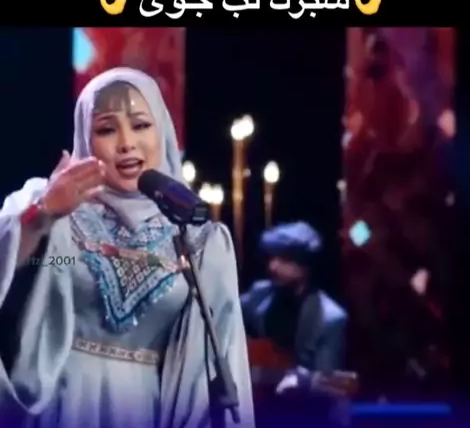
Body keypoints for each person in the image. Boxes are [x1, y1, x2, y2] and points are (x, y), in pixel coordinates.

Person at [0, 67, 254, 428]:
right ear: (85, 138)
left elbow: (224, 355)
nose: (126, 143)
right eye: (106, 129)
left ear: (162, 130)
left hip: (148, 409)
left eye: (140, 125)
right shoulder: (52, 210)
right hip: (60, 403)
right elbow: (21, 262)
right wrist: (41, 215)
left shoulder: (198, 238)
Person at [241, 221, 348, 426]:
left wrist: (266, 376)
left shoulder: (330, 318)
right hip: (259, 414)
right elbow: (222, 316)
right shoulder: (259, 295)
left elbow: (326, 384)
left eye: (283, 259)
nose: (272, 266)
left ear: (304, 265)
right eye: (271, 258)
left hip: (307, 418)